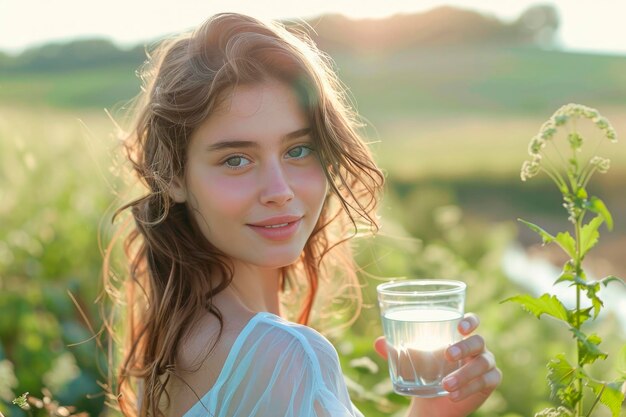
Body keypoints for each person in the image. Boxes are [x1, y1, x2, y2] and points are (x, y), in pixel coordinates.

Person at [103, 12, 501, 417]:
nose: (279, 191)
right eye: (236, 159)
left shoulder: (176, 339)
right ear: (172, 176)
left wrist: (435, 411)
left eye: (298, 150)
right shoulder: (282, 354)